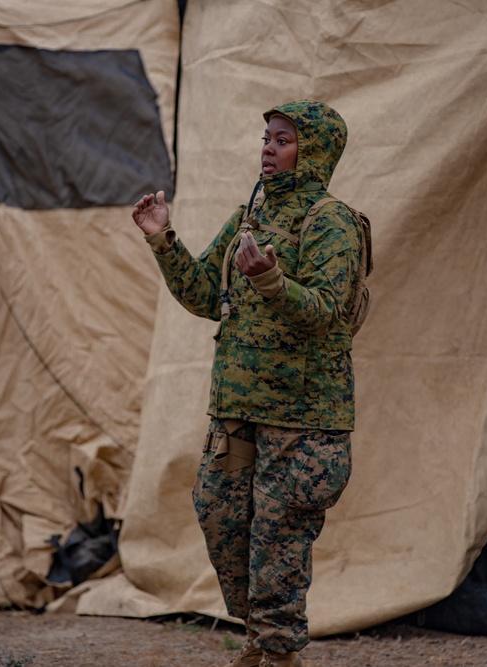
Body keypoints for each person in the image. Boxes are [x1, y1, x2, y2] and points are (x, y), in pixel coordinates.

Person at [132, 99, 363, 667]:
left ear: (313, 153)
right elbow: (207, 295)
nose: (268, 148)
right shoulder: (249, 218)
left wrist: (270, 280)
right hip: (237, 411)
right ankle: (262, 638)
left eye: (283, 140)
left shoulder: (333, 223)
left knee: (278, 540)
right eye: (266, 138)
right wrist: (162, 239)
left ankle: (277, 653)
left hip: (303, 420)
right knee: (220, 515)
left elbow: (326, 311)